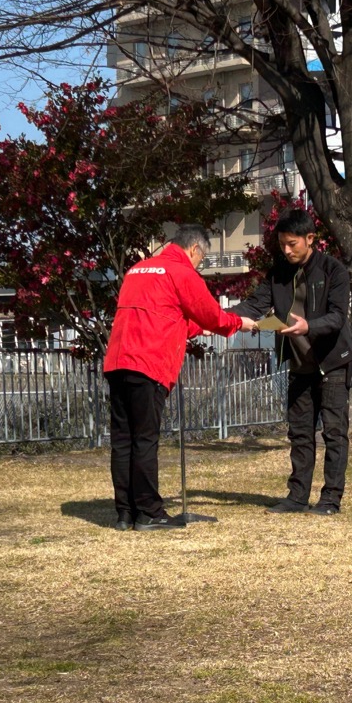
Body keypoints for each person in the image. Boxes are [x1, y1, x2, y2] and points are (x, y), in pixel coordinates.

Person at [104, 225, 255, 531]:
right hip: (149, 362)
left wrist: (202, 327)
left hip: (118, 360)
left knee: (123, 440)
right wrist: (239, 323)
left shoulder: (138, 270)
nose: (199, 264)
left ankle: (125, 512)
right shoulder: (181, 272)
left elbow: (168, 317)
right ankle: (149, 511)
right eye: (202, 258)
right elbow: (211, 314)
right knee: (145, 439)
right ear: (194, 249)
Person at [231, 208, 352, 515]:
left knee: (334, 433)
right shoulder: (278, 272)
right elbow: (255, 305)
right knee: (299, 433)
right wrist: (219, 318)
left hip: (333, 364)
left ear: (310, 238)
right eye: (282, 244)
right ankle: (297, 497)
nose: (286, 250)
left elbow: (338, 316)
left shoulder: (334, 271)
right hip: (299, 366)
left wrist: (308, 326)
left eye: (292, 244)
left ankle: (330, 500)